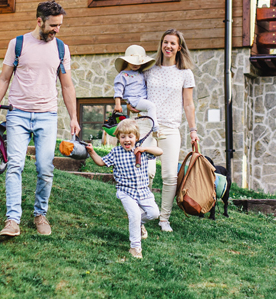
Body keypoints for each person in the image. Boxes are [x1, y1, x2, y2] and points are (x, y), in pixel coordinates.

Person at [0, 0, 80, 237]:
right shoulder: (18, 44)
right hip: (18, 113)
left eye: (60, 25)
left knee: (45, 168)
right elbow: (4, 78)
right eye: (53, 25)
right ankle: (12, 220)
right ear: (39, 21)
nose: (57, 30)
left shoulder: (61, 48)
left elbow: (67, 86)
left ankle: (40, 214)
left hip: (47, 116)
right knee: (15, 165)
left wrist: (73, 117)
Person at [138, 29, 199, 233]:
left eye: (173, 43)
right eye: (165, 42)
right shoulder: (149, 69)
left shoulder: (185, 74)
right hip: (147, 125)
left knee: (170, 176)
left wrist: (193, 130)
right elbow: (137, 94)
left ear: (179, 47)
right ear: (161, 44)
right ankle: (144, 213)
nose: (168, 46)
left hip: (171, 128)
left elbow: (188, 105)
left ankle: (164, 218)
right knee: (146, 171)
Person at [85, 119, 163, 259]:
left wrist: (144, 149)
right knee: (134, 215)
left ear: (136, 138)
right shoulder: (116, 152)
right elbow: (101, 162)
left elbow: (160, 151)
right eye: (123, 137)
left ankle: (138, 225)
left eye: (130, 136)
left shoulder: (141, 151)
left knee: (154, 213)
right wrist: (91, 152)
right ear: (118, 138)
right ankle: (135, 247)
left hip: (143, 191)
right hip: (126, 192)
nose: (127, 140)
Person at [113, 45, 160, 136]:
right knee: (151, 106)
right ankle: (155, 128)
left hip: (142, 99)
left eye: (139, 63)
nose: (136, 65)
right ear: (127, 61)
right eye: (133, 62)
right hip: (135, 100)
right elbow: (118, 90)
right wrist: (118, 104)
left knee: (150, 107)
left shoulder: (140, 73)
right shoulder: (123, 75)